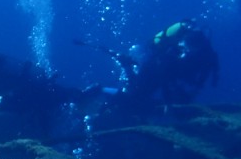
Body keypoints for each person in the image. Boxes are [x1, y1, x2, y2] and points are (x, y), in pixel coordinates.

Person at [77, 19, 220, 108]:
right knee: (133, 97)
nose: (183, 54)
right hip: (154, 68)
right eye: (183, 49)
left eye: (187, 51)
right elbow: (163, 73)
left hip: (171, 75)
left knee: (178, 100)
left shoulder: (206, 57)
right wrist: (168, 103)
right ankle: (101, 88)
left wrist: (188, 95)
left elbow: (202, 79)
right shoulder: (172, 52)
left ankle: (127, 66)